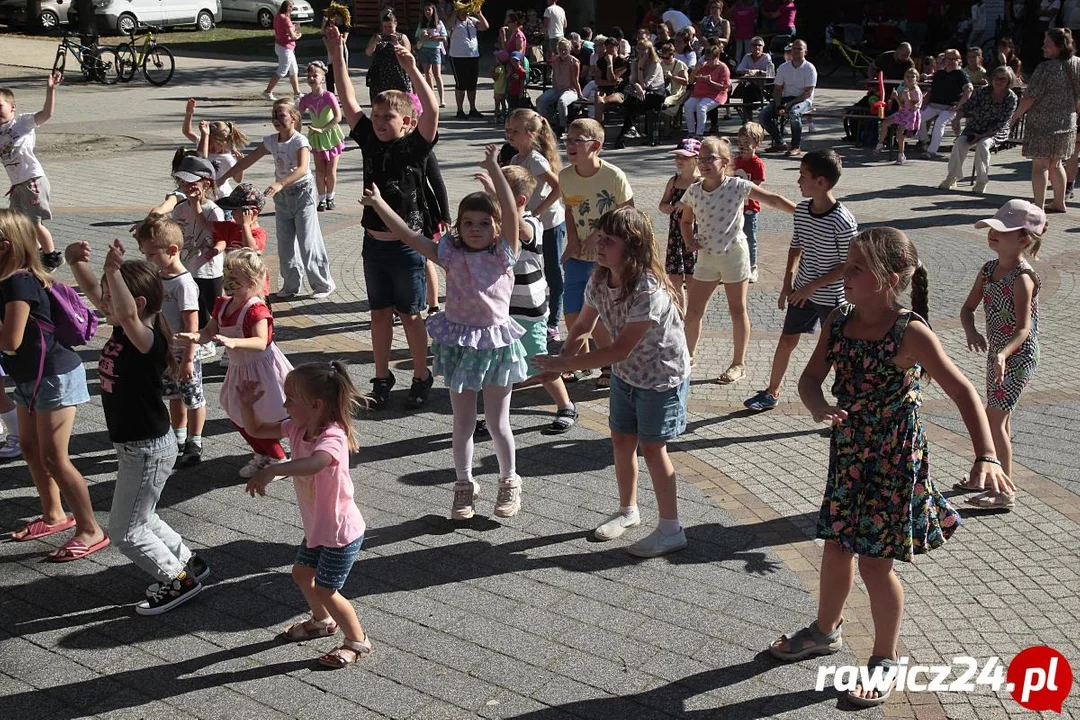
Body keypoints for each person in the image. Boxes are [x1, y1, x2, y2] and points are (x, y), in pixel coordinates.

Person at [769, 227, 1013, 708]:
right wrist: (816, 403)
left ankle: (885, 658)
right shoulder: (839, 320)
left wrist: (986, 454)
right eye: (847, 264)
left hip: (895, 460)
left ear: (892, 277)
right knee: (837, 545)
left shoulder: (909, 331)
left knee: (876, 566)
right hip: (850, 455)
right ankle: (824, 630)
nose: (846, 275)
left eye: (857, 268)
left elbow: (964, 391)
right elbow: (811, 377)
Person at [361, 146, 529, 520]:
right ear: (458, 226)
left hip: (495, 345)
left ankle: (509, 480)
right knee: (462, 423)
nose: (475, 229)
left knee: (499, 423)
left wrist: (493, 170)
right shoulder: (450, 254)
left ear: (497, 227)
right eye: (468, 223)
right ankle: (464, 486)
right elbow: (407, 234)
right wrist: (378, 205)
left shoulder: (504, 254)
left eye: (484, 223)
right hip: (459, 346)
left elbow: (510, 215)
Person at [534, 207, 692, 558]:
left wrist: (567, 362)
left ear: (632, 247)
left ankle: (671, 530)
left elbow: (619, 349)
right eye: (599, 237)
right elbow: (581, 328)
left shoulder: (647, 290)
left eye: (609, 240)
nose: (598, 244)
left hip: (660, 379)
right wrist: (561, 363)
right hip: (627, 375)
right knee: (622, 441)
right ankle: (627, 511)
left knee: (653, 448)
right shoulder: (598, 278)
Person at [67, 239, 204, 615]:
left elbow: (124, 313)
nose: (102, 303)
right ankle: (190, 563)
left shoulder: (148, 340)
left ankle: (177, 581)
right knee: (143, 518)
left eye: (112, 298)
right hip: (140, 445)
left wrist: (113, 270)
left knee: (125, 532)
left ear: (136, 303)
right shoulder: (125, 329)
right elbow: (99, 296)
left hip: (145, 447)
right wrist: (76, 263)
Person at [326, 28, 439, 409]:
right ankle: (381, 375)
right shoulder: (370, 141)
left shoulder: (415, 147)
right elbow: (346, 99)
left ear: (406, 122)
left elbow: (433, 111)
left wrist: (413, 68)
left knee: (410, 317)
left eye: (387, 116)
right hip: (373, 245)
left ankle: (421, 374)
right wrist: (337, 56)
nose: (378, 121)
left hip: (407, 248)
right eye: (376, 115)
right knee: (378, 315)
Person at [239, 362, 371, 668]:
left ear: (315, 405)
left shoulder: (333, 437)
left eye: (290, 399)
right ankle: (323, 622)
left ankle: (357, 641)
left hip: (340, 532)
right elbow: (257, 429)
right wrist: (247, 406)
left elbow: (316, 463)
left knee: (326, 588)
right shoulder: (296, 427)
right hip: (318, 528)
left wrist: (274, 469)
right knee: (301, 574)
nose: (285, 404)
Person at [1, 211, 104, 557]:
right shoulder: (8, 277)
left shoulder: (19, 282)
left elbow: (11, 340)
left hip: (54, 376)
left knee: (54, 457)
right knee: (30, 449)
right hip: (30, 376)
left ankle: (90, 529)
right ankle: (54, 514)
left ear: (4, 246)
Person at [744, 150, 857, 411]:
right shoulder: (803, 210)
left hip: (832, 297)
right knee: (787, 340)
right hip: (802, 292)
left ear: (821, 182)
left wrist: (813, 286)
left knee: (837, 351)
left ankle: (846, 405)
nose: (798, 181)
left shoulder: (843, 221)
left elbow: (848, 265)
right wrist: (788, 283)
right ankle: (772, 392)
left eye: (803, 176)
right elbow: (796, 247)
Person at [680, 136, 795, 380]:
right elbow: (686, 221)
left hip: (734, 255)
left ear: (725, 161)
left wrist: (803, 212)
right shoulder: (693, 190)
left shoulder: (737, 185)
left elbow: (772, 199)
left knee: (737, 309)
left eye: (710, 158)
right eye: (701, 159)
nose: (704, 163)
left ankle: (738, 364)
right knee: (693, 312)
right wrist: (689, 240)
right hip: (706, 258)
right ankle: (688, 356)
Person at [176, 249, 293, 479]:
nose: (227, 284)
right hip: (240, 370)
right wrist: (195, 337)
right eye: (225, 277)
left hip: (262, 370)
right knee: (237, 413)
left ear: (251, 282)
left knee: (262, 415)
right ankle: (262, 453)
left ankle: (277, 456)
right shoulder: (223, 305)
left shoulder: (256, 309)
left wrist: (233, 342)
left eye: (234, 280)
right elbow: (210, 331)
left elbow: (261, 342)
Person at [957, 200, 1042, 510]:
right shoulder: (989, 269)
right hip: (998, 355)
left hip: (1017, 357)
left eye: (1001, 232)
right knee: (999, 421)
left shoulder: (1022, 278)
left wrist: (1004, 354)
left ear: (1024, 240)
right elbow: (967, 309)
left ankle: (1003, 491)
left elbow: (1023, 329)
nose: (992, 234)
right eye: (992, 229)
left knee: (995, 420)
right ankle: (988, 476)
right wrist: (971, 331)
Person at [482, 164, 579, 433]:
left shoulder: (533, 225)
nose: (494, 202)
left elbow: (519, 227)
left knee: (539, 361)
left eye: (499, 196)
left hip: (530, 310)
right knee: (498, 363)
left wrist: (496, 194)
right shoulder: (498, 226)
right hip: (502, 310)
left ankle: (566, 405)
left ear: (519, 201)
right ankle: (495, 415)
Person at [221, 98, 335, 299]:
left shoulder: (300, 141)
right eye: (274, 115)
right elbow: (248, 160)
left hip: (303, 193)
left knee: (307, 241)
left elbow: (302, 168)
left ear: (293, 117)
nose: (276, 119)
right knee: (285, 242)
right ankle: (291, 286)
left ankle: (322, 284)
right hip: (282, 198)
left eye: (281, 115)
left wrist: (280, 183)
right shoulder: (272, 141)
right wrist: (223, 177)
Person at [558, 119, 634, 387]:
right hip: (578, 255)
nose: (569, 145)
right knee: (571, 309)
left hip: (606, 259)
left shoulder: (613, 176)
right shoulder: (565, 176)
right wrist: (571, 242)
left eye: (577, 140)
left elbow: (628, 212)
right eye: (567, 140)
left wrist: (598, 235)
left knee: (599, 314)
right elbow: (568, 210)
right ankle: (578, 359)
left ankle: (610, 367)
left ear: (596, 145)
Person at [133, 215, 207, 469]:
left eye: (152, 255)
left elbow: (191, 325)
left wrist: (187, 359)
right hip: (166, 350)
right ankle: (179, 436)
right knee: (175, 396)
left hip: (184, 352)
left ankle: (195, 441)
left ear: (172, 251)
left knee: (192, 397)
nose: (148, 260)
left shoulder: (184, 283)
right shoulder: (159, 277)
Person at [150, 155, 225, 362]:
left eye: (190, 181)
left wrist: (217, 249)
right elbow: (175, 233)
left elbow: (220, 236)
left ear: (206, 183)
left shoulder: (214, 210)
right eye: (182, 182)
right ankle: (203, 343)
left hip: (209, 270)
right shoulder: (180, 209)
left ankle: (225, 340)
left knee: (214, 308)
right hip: (187, 267)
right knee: (195, 307)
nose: (185, 186)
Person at [507, 109, 567, 343]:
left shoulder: (535, 159)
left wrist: (539, 210)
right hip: (530, 227)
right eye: (508, 130)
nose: (509, 135)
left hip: (549, 224)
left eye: (515, 131)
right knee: (533, 271)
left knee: (553, 272)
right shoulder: (516, 159)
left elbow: (559, 186)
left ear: (531, 134)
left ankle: (553, 323)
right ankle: (530, 316)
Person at [1009, 28, 1080, 213]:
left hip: (1043, 124)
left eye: (1047, 42)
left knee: (1040, 166)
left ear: (1059, 45)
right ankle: (1059, 202)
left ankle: (1039, 205)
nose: (1043, 46)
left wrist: (1014, 117)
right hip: (1067, 124)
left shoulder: (1045, 68)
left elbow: (1030, 97)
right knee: (1056, 164)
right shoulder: (1078, 64)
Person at [0, 72, 62, 271]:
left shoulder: (22, 122)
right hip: (17, 185)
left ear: (12, 107)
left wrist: (51, 90)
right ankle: (31, 257)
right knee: (17, 225)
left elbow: (46, 114)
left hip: (33, 179)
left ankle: (51, 257)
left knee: (34, 223)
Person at [940, 66, 1018, 194]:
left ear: (1009, 81)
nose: (998, 81)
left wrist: (981, 136)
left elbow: (1003, 122)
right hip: (976, 126)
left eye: (1003, 79)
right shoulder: (982, 91)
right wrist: (956, 119)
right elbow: (965, 107)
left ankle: (981, 181)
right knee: (960, 142)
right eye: (996, 78)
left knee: (983, 145)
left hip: (996, 130)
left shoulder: (1011, 98)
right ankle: (952, 177)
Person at [299, 62, 347, 212]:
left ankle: (330, 197)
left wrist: (323, 129)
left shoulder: (328, 96)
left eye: (315, 75)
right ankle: (321, 199)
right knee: (319, 171)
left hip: (331, 136)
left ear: (323, 78)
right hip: (316, 137)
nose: (312, 78)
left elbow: (338, 117)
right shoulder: (306, 99)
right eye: (309, 76)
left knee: (330, 171)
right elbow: (297, 117)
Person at [659, 138, 701, 306]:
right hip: (675, 235)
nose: (679, 160)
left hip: (693, 235)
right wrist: (666, 207)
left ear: (696, 159)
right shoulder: (674, 181)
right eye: (677, 156)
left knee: (692, 278)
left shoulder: (700, 182)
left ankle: (693, 313)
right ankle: (679, 315)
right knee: (674, 278)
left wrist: (686, 204)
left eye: (684, 157)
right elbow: (662, 203)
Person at [212, 183, 271, 299]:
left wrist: (245, 225)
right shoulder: (231, 227)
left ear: (251, 213)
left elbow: (251, 251)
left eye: (236, 210)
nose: (232, 214)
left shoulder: (259, 233)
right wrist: (196, 203)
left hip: (253, 289)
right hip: (233, 283)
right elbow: (204, 224)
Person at [759, 39, 817, 157]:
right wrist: (778, 103)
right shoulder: (783, 67)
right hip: (785, 98)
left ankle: (795, 146)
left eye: (799, 49)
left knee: (794, 114)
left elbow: (807, 93)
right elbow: (778, 88)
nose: (796, 51)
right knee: (763, 115)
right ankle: (780, 142)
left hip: (803, 100)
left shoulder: (810, 68)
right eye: (794, 49)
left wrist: (790, 104)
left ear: (805, 52)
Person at [181, 98, 249, 198]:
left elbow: (237, 179)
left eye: (211, 143)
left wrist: (240, 165)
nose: (209, 145)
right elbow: (187, 132)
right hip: (202, 194)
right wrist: (189, 113)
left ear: (221, 142)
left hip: (221, 196)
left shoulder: (227, 159)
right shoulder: (203, 142)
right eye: (208, 141)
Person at [915, 49, 973, 160]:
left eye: (953, 59)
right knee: (917, 118)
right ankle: (925, 140)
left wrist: (959, 106)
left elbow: (969, 89)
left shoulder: (960, 73)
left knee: (939, 123)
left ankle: (931, 151)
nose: (950, 61)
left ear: (959, 60)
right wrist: (923, 104)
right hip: (934, 105)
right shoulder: (939, 73)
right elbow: (931, 91)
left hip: (949, 108)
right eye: (947, 58)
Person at [616, 39, 669, 147]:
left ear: (649, 50)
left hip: (656, 93)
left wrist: (640, 67)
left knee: (632, 104)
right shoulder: (635, 62)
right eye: (639, 49)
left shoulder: (655, 64)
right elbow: (633, 80)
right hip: (640, 92)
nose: (641, 52)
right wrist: (638, 87)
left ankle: (624, 134)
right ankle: (627, 131)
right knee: (629, 94)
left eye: (643, 49)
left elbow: (646, 84)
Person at [733, 122, 766, 283]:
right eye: (740, 143)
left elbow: (757, 185)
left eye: (747, 143)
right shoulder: (735, 161)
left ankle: (752, 266)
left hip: (750, 207)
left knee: (750, 237)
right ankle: (737, 264)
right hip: (735, 207)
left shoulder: (757, 163)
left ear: (756, 144)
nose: (742, 146)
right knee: (734, 237)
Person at [448, 4, 490, 119]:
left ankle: (472, 108)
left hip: (473, 56)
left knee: (472, 84)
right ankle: (460, 110)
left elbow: (485, 26)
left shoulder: (472, 20)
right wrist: (455, 11)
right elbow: (448, 26)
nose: (466, 13)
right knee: (461, 84)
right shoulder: (455, 21)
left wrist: (479, 13)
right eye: (464, 11)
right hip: (458, 57)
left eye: (467, 11)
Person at [874, 67, 923, 165]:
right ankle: (880, 144)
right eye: (907, 77)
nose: (909, 79)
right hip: (903, 112)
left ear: (916, 78)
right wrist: (896, 97)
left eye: (912, 77)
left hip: (911, 114)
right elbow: (901, 104)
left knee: (899, 131)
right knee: (885, 123)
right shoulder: (905, 89)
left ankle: (901, 154)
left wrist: (907, 96)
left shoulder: (916, 91)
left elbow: (913, 106)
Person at [683, 44, 732, 140]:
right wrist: (696, 70)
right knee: (688, 105)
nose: (707, 61)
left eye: (710, 59)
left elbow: (724, 87)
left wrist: (710, 82)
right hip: (699, 93)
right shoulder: (702, 65)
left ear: (716, 58)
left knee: (701, 107)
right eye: (706, 59)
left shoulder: (723, 68)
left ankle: (699, 134)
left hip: (716, 95)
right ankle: (691, 132)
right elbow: (690, 81)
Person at [536, 38, 582, 135]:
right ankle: (549, 122)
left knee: (562, 102)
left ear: (569, 49)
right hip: (557, 89)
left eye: (565, 49)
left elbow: (575, 80)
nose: (563, 51)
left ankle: (562, 126)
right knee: (540, 100)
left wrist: (580, 94)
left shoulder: (574, 62)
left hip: (570, 90)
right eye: (561, 49)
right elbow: (554, 76)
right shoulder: (556, 60)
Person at [367, 9, 413, 98]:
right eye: (385, 27)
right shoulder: (377, 36)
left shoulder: (402, 37)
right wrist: (374, 42)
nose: (387, 29)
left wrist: (396, 44)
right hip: (379, 75)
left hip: (397, 74)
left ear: (395, 25)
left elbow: (407, 54)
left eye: (390, 27)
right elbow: (368, 52)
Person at [264, 1, 302, 101]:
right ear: (287, 7)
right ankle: (267, 91)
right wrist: (298, 35)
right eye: (291, 7)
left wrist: (293, 26)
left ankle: (297, 93)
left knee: (294, 70)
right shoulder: (286, 19)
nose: (292, 9)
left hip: (280, 45)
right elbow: (292, 36)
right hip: (286, 48)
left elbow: (284, 29)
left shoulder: (278, 16)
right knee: (282, 71)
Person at [415, 2, 448, 108]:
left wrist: (432, 37)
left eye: (429, 10)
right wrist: (422, 37)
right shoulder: (422, 24)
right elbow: (417, 36)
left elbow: (444, 37)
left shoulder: (439, 23)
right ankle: (431, 98)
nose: (427, 12)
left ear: (433, 11)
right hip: (424, 49)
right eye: (425, 10)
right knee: (428, 74)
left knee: (437, 74)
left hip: (435, 50)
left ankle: (442, 99)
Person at [593, 37, 629, 124]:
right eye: (607, 47)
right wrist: (611, 82)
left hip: (619, 91)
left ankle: (599, 124)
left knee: (601, 101)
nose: (608, 50)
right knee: (598, 95)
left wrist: (610, 64)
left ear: (617, 47)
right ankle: (599, 125)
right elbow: (597, 81)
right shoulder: (600, 62)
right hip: (604, 89)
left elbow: (611, 78)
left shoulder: (623, 62)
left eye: (611, 47)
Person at [320, 1, 350, 94]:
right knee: (329, 73)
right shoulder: (332, 25)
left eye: (338, 16)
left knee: (341, 72)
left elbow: (344, 40)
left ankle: (343, 93)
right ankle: (330, 94)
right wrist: (324, 23)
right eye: (334, 15)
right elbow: (323, 33)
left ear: (342, 16)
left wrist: (337, 36)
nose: (336, 18)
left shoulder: (344, 26)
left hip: (341, 50)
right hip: (331, 50)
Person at [659, 42, 691, 119]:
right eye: (663, 57)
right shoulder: (660, 64)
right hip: (663, 91)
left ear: (673, 55)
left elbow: (686, 82)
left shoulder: (679, 64)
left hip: (677, 91)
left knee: (666, 109)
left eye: (667, 58)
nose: (665, 60)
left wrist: (672, 76)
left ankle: (668, 129)